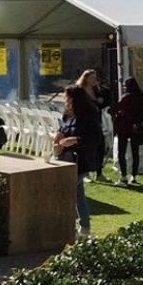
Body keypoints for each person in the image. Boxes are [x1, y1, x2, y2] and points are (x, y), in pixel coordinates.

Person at [55, 84, 103, 237]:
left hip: (82, 159)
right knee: (78, 194)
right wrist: (59, 135)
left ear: (75, 99)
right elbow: (63, 128)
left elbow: (96, 138)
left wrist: (75, 140)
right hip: (67, 159)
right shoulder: (67, 114)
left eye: (67, 98)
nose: (65, 101)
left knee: (68, 192)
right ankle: (84, 227)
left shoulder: (89, 114)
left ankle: (70, 227)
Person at [111, 77, 143, 185]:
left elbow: (114, 108)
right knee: (135, 153)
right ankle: (134, 177)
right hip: (136, 127)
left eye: (124, 86)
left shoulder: (126, 97)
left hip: (124, 127)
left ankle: (124, 176)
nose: (123, 88)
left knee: (121, 153)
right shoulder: (141, 97)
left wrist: (117, 114)